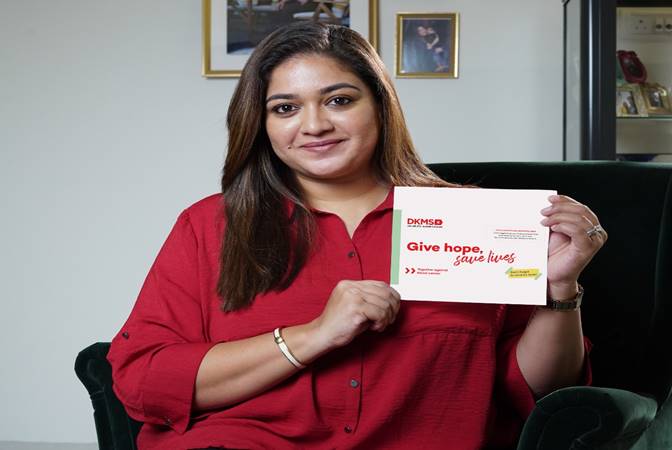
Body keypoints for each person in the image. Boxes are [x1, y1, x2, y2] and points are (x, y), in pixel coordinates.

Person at [107, 21, 607, 449]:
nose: (314, 125)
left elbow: (539, 390)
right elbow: (143, 381)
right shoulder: (210, 225)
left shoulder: (474, 220)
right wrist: (315, 335)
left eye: (339, 100)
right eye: (285, 108)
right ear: (260, 123)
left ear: (380, 106)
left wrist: (559, 289)